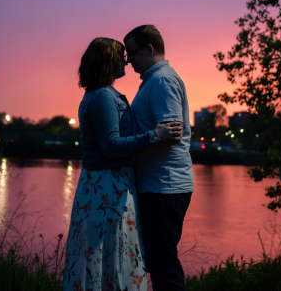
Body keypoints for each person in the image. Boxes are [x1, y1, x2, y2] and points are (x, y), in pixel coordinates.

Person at [63, 37, 183, 291]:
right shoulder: (103, 97)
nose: (126, 61)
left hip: (107, 184)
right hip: (107, 186)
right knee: (109, 253)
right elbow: (111, 145)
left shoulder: (102, 94)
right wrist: (155, 135)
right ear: (108, 60)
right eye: (121, 56)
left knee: (106, 254)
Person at [123, 25, 194, 291]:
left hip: (165, 185)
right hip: (157, 185)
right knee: (157, 261)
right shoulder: (154, 81)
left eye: (131, 53)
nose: (128, 60)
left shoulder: (162, 80)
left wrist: (128, 149)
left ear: (149, 49)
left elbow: (171, 134)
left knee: (163, 264)